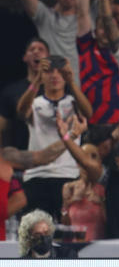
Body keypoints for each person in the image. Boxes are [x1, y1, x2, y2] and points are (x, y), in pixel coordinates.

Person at [17, 46, 93, 216]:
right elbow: (21, 112)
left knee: (65, 235)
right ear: (43, 75)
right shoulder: (35, 103)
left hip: (68, 175)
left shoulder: (74, 102)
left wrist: (72, 81)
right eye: (49, 71)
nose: (55, 76)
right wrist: (36, 81)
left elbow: (89, 113)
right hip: (37, 176)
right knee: (36, 231)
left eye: (60, 72)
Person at [0, 38, 49, 148]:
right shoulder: (11, 91)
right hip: (22, 156)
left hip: (53, 157)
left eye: (41, 49)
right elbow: (2, 128)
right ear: (25, 58)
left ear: (48, 58)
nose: (36, 52)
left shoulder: (58, 88)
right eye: (32, 50)